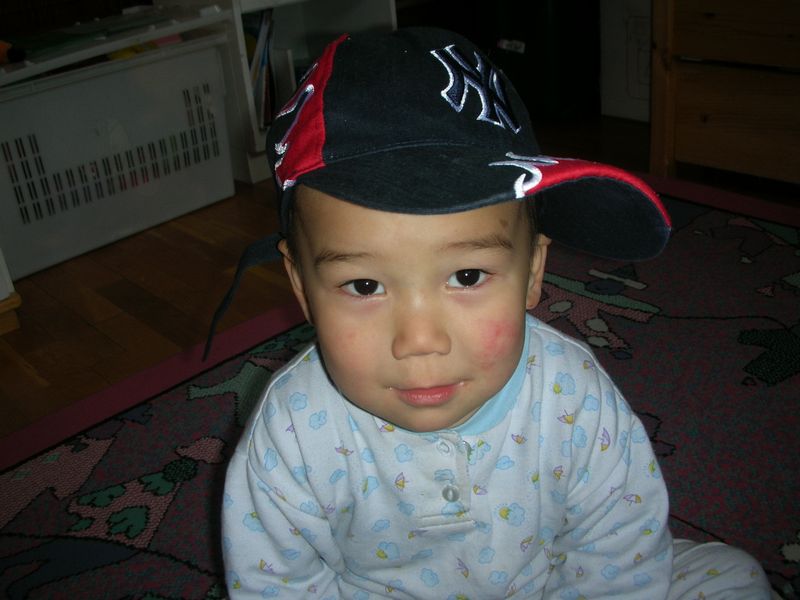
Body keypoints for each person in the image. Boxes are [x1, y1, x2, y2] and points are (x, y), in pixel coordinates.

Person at [219, 27, 772, 599]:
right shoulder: (291, 430)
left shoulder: (572, 393)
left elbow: (617, 544)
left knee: (733, 577)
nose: (420, 339)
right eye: (364, 285)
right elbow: (277, 584)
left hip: (552, 584)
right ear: (301, 286)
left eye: (466, 276)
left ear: (533, 271)